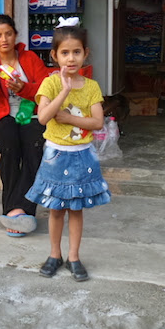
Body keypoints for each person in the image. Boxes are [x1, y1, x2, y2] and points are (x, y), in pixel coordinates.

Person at [26, 18, 111, 281]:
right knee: (55, 209)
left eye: (76, 52)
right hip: (55, 155)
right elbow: (43, 118)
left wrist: (68, 118)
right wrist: (63, 91)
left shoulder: (92, 87)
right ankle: (55, 254)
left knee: (76, 209)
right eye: (65, 53)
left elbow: (97, 122)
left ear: (86, 53)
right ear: (55, 56)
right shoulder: (50, 84)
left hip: (82, 155)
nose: (71, 58)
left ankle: (74, 256)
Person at [0, 14, 50, 236]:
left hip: (31, 115)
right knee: (10, 147)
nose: (4, 39)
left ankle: (23, 210)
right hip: (1, 116)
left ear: (15, 35)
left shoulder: (30, 58)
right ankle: (12, 209)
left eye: (8, 33)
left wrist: (24, 88)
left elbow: (46, 90)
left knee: (34, 148)